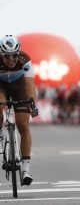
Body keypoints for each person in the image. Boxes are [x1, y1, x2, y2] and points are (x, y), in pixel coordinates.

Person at [0, 35, 38, 185]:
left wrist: (32, 104)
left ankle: (25, 170)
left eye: (15, 55)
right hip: (1, 85)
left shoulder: (24, 59)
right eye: (8, 56)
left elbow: (30, 85)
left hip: (18, 85)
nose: (12, 59)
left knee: (23, 125)